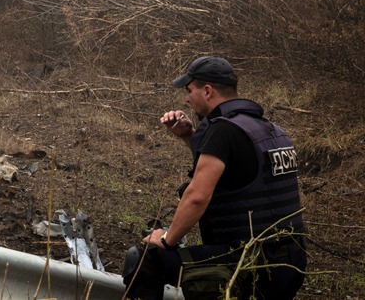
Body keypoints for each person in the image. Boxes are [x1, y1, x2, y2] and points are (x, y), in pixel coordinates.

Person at [124, 56, 306, 300]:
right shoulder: (270, 129)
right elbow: (234, 175)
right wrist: (190, 136)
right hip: (289, 262)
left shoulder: (223, 130)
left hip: (246, 265)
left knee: (145, 259)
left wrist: (166, 240)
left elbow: (197, 197)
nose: (187, 98)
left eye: (189, 91)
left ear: (207, 91)